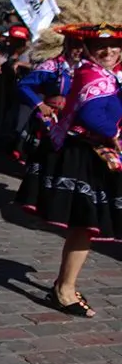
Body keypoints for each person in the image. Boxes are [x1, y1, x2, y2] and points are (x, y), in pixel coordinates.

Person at [16, 21, 122, 318]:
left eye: (115, 46)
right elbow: (91, 116)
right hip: (82, 156)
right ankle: (64, 289)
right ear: (88, 49)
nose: (110, 51)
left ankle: (64, 284)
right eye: (102, 47)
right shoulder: (92, 74)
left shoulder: (108, 75)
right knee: (84, 225)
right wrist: (114, 133)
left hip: (93, 155)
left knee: (85, 228)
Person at [12, 34, 83, 164]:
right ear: (67, 45)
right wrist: (39, 104)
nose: (79, 51)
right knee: (45, 153)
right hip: (51, 116)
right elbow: (24, 85)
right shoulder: (53, 66)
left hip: (75, 120)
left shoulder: (87, 69)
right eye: (76, 46)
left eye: (83, 47)